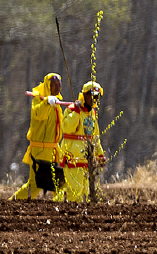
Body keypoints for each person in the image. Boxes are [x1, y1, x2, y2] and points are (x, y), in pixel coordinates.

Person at [12, 73, 66, 201]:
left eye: (59, 85)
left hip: (53, 151)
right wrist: (46, 103)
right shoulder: (39, 101)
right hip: (40, 151)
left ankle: (59, 211)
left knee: (58, 185)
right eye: (54, 85)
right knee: (35, 185)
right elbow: (38, 115)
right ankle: (10, 203)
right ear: (48, 86)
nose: (58, 87)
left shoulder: (57, 104)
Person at [60, 81, 104, 203]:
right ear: (84, 95)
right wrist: (76, 112)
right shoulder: (71, 110)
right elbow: (67, 128)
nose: (94, 99)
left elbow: (95, 137)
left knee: (86, 191)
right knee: (75, 189)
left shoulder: (92, 113)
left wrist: (99, 154)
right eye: (91, 95)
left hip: (87, 158)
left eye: (96, 96)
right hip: (72, 156)